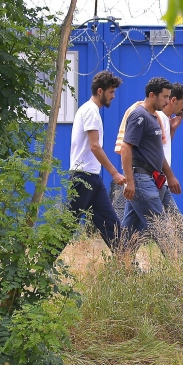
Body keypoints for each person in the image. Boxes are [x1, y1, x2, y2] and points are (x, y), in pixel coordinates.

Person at [120, 77, 183, 257]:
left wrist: (169, 175)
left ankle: (121, 266)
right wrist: (130, 182)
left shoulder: (153, 117)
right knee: (161, 227)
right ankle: (180, 270)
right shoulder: (139, 115)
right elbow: (126, 148)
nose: (167, 101)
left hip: (152, 178)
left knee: (130, 230)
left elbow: (157, 152)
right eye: (164, 97)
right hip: (141, 179)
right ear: (151, 95)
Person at [67, 70, 126, 251]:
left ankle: (128, 265)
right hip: (83, 178)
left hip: (92, 178)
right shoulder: (91, 111)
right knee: (66, 227)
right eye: (111, 92)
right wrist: (115, 173)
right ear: (100, 91)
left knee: (112, 225)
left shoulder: (88, 110)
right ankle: (41, 266)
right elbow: (94, 146)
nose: (113, 96)